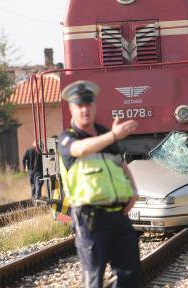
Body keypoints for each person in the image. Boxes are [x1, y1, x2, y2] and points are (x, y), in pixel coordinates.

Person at [57, 81, 140, 288]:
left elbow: (120, 164)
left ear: (94, 106)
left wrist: (133, 191)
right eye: (79, 106)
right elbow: (81, 150)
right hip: (90, 219)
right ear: (71, 109)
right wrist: (113, 135)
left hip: (118, 216)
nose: (85, 109)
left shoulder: (104, 133)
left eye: (88, 104)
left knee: (129, 273)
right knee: (94, 277)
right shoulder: (68, 138)